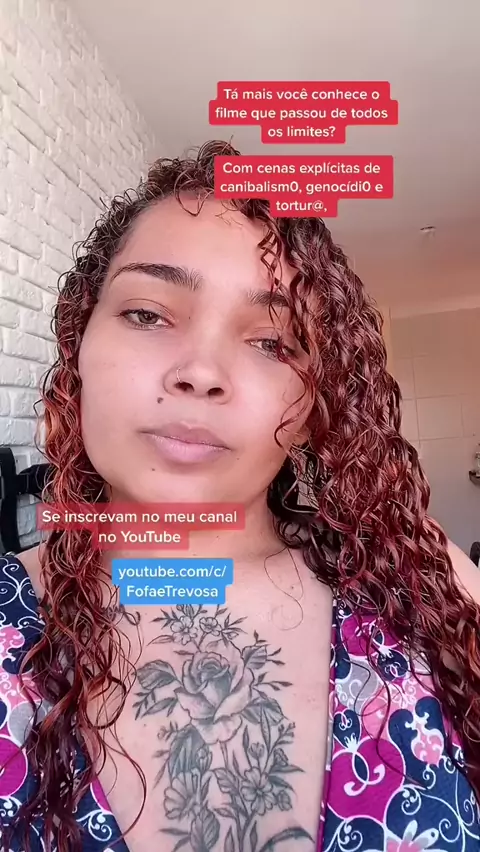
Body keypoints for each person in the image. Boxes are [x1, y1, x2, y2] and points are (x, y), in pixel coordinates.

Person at [0, 140, 479, 852]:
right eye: (148, 314)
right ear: (78, 346)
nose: (201, 371)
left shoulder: (425, 587)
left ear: (312, 402)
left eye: (273, 343)